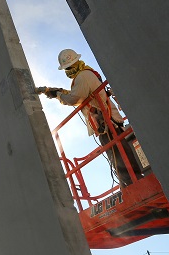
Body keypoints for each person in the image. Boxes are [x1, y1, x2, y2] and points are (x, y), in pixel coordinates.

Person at [41, 49, 142, 186]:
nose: (68, 71)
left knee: (117, 153)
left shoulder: (83, 76)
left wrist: (58, 95)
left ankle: (132, 184)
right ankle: (131, 182)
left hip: (106, 121)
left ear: (73, 65)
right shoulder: (85, 74)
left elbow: (74, 99)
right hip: (105, 120)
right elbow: (78, 94)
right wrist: (60, 92)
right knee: (117, 152)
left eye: (68, 68)